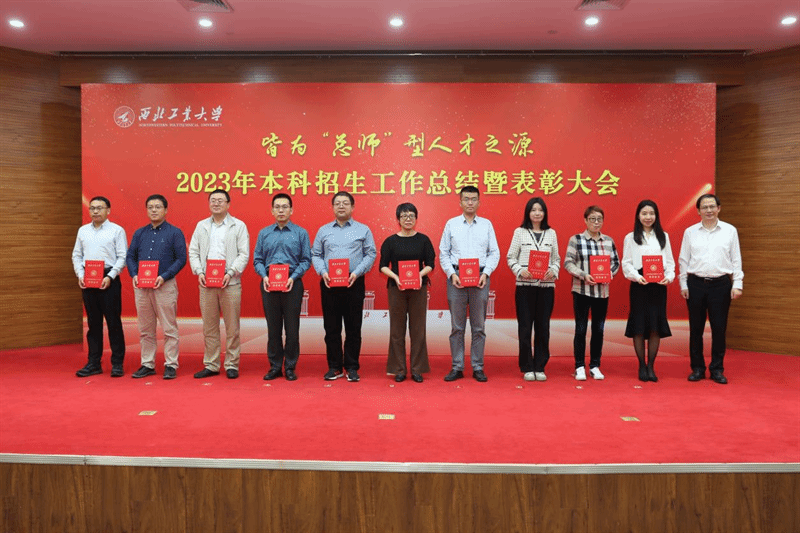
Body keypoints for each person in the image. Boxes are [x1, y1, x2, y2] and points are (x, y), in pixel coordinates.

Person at [311, 191, 376, 382]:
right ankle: (334, 367)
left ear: (352, 207)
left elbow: (370, 254)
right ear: (332, 207)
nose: (341, 206)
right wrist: (323, 272)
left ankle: (352, 367)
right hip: (329, 283)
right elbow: (316, 254)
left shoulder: (363, 230)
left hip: (353, 282)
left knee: (353, 327)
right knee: (331, 328)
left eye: (345, 203)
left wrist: (357, 272)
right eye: (337, 203)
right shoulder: (323, 230)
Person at [679, 193, 743, 385]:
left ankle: (717, 369)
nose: (709, 210)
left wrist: (737, 284)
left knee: (719, 328)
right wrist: (683, 284)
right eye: (704, 207)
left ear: (718, 208)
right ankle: (697, 368)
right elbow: (684, 259)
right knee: (695, 329)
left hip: (721, 285)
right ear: (698, 211)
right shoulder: (690, 232)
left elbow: (736, 259)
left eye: (712, 206)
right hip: (696, 284)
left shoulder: (730, 231)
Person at [438, 185, 500, 383]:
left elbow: (494, 252)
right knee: (457, 327)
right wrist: (451, 274)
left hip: (480, 278)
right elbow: (443, 252)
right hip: (456, 277)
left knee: (478, 326)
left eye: (473, 199)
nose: (470, 202)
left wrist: (486, 273)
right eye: (466, 199)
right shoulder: (451, 224)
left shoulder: (486, 225)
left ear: (479, 202)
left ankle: (478, 367)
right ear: (460, 202)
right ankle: (457, 366)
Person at [188, 189, 250, 379]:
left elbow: (244, 254)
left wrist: (230, 273)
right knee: (209, 327)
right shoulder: (201, 226)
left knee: (232, 327)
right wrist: (199, 271)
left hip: (230, 283)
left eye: (220, 200)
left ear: (228, 204)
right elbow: (193, 251)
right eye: (213, 200)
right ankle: (212, 364)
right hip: (206, 283)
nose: (216, 203)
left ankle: (232, 364)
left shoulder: (238, 226)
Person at [125, 194, 187, 380]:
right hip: (142, 287)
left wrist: (164, 276)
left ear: (166, 210)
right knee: (145, 329)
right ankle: (147, 364)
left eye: (158, 207)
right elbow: (130, 257)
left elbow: (181, 259)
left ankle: (171, 364)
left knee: (169, 328)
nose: (154, 210)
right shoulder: (139, 233)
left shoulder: (175, 232)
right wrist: (134, 275)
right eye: (150, 207)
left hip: (164, 285)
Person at [253, 193, 311, 381]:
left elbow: (306, 260)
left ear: (291, 210)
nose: (281, 210)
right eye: (277, 207)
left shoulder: (301, 233)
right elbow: (257, 260)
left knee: (292, 329)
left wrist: (293, 277)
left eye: (285, 207)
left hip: (292, 283)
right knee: (273, 328)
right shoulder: (264, 233)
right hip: (269, 283)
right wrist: (264, 276)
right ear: (272, 210)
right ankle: (275, 366)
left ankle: (290, 366)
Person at [379, 203, 436, 383]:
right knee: (397, 330)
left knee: (418, 329)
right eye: (404, 216)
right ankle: (399, 369)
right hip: (396, 288)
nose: (408, 219)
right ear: (398, 219)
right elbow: (382, 266)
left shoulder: (423, 240)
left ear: (416, 218)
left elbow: (430, 264)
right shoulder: (390, 241)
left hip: (418, 288)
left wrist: (419, 275)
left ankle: (417, 369)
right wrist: (396, 277)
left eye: (411, 215)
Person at [71, 196, 127, 377]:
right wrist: (80, 275)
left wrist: (110, 276)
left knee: (113, 323)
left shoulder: (117, 230)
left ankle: (117, 363)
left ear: (108, 210)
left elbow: (122, 257)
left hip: (109, 279)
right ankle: (94, 363)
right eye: (92, 208)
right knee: (93, 324)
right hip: (88, 279)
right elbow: (76, 255)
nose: (95, 211)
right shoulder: (83, 231)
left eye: (99, 208)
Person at [506, 197, 560, 382]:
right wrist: (520, 270)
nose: (537, 213)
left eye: (540, 210)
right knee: (525, 327)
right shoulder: (520, 232)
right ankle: (527, 366)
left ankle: (540, 366)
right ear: (528, 213)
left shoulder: (551, 233)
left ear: (545, 213)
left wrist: (553, 271)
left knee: (543, 327)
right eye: (533, 210)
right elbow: (510, 257)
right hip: (525, 287)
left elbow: (557, 259)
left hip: (546, 288)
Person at [564, 205, 620, 381]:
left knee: (599, 330)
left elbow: (616, 263)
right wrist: (583, 275)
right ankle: (579, 366)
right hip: (582, 290)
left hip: (602, 292)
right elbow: (568, 263)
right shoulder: (576, 240)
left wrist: (609, 274)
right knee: (580, 329)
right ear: (585, 220)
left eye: (599, 219)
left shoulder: (608, 241)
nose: (596, 222)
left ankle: (595, 365)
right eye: (592, 219)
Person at [621, 200, 675, 383]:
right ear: (638, 216)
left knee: (655, 325)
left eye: (651, 213)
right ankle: (641, 365)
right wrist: (637, 277)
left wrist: (669, 277)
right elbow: (626, 263)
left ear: (656, 216)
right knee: (638, 325)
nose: (648, 217)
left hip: (658, 286)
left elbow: (670, 262)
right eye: (644, 213)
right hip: (640, 285)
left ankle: (651, 365)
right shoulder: (630, 237)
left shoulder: (663, 236)